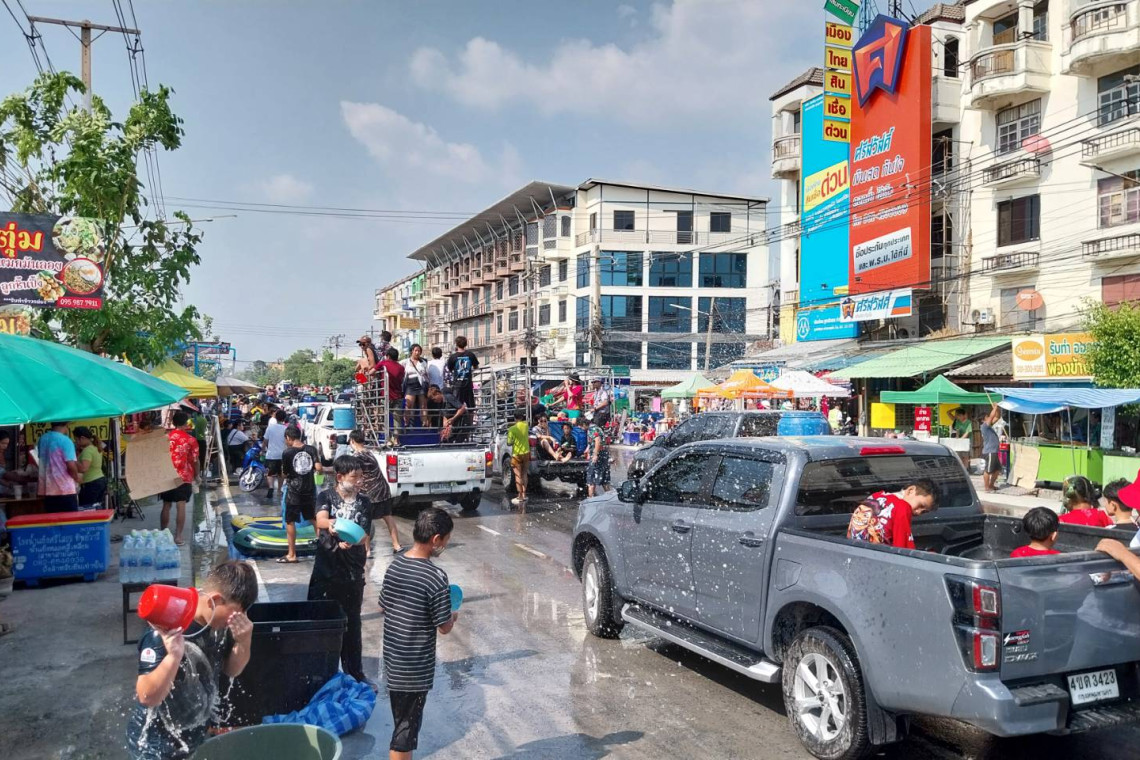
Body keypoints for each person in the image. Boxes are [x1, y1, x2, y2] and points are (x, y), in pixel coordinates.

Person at [127, 561, 257, 760]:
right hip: (156, 745)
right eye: (238, 612)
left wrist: (244, 641)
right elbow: (147, 696)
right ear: (215, 600)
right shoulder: (167, 629)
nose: (241, 618)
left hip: (193, 734)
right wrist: (173, 657)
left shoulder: (220, 623)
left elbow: (232, 670)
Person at [379, 507, 457, 760]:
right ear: (436, 539)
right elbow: (444, 626)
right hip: (415, 668)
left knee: (401, 721)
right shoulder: (435, 576)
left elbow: (383, 606)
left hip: (394, 660)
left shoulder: (396, 565)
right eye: (446, 540)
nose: (445, 544)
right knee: (405, 733)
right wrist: (453, 614)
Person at [308, 456, 375, 688]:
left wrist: (353, 539)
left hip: (353, 571)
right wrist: (333, 526)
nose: (359, 481)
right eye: (354, 477)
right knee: (321, 620)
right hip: (327, 568)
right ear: (339, 477)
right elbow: (320, 520)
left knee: (352, 623)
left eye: (361, 477)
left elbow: (364, 533)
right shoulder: (326, 496)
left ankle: (355, 672)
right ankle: (320, 674)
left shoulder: (364, 502)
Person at [345, 430, 402, 557]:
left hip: (368, 493)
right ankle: (397, 545)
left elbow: (354, 476)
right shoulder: (370, 453)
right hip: (382, 490)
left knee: (365, 521)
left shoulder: (356, 457)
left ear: (352, 441)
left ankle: (367, 550)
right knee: (388, 517)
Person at [846, 479, 939, 549]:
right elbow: (903, 551)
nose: (918, 512)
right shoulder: (903, 507)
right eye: (920, 505)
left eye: (924, 512)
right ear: (910, 490)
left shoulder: (874, 496)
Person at [279, 426, 322, 564]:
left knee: (290, 521)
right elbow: (319, 468)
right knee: (314, 519)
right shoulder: (311, 449)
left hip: (294, 492)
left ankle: (292, 554)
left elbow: (285, 473)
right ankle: (325, 550)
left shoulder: (287, 452)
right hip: (309, 490)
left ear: (288, 438)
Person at [161, 411, 199, 545]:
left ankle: (163, 534)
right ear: (186, 423)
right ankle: (178, 537)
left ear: (173, 422)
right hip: (184, 475)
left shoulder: (165, 438)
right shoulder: (190, 439)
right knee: (180, 505)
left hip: (167, 474)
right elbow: (195, 460)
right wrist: (197, 475)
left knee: (166, 504)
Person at [37, 421, 81, 512]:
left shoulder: (42, 439)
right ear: (66, 425)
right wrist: (77, 478)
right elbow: (71, 465)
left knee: (52, 519)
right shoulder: (66, 441)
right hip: (65, 490)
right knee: (70, 519)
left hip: (47, 490)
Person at [74, 426, 107, 510]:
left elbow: (84, 468)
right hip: (100, 480)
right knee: (96, 507)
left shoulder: (87, 450)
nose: (76, 442)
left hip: (91, 483)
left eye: (76, 439)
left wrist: (72, 461)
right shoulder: (95, 448)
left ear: (82, 438)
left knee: (87, 508)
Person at [445, 335, 479, 409]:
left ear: (456, 344)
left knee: (457, 407)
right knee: (471, 407)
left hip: (457, 385)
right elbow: (476, 366)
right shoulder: (470, 355)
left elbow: (449, 369)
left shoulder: (453, 357)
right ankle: (471, 417)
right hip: (468, 384)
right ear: (466, 344)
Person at [263, 410, 288, 502]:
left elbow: (265, 441)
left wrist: (263, 450)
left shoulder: (270, 428)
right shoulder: (286, 429)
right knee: (281, 473)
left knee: (270, 473)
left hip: (271, 454)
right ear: (284, 418)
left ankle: (271, 487)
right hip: (282, 455)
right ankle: (279, 490)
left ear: (275, 417)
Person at [402, 344, 429, 428]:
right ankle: (406, 423)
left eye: (419, 351)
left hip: (421, 385)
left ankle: (424, 423)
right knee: (408, 405)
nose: (417, 353)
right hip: (410, 384)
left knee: (423, 405)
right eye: (416, 351)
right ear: (412, 351)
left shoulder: (423, 362)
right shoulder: (405, 362)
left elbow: (426, 374)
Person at [507, 409, 530, 507]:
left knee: (518, 475)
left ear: (514, 418)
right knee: (524, 473)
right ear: (522, 417)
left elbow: (509, 443)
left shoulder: (512, 429)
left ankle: (519, 496)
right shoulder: (526, 425)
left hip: (516, 454)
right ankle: (524, 494)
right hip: (526, 453)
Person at [585, 415, 610, 497]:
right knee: (604, 479)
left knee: (591, 479)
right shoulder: (598, 428)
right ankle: (610, 498)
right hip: (603, 455)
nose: (581, 428)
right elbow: (596, 442)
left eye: (580, 426)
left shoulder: (592, 429)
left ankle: (590, 500)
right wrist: (588, 449)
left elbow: (597, 440)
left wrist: (595, 455)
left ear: (584, 424)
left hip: (598, 456)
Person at [980, 402, 1002, 493]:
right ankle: (987, 488)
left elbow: (997, 417)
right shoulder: (984, 426)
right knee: (988, 470)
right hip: (989, 451)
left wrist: (997, 409)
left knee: (997, 470)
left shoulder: (988, 426)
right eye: (987, 417)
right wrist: (995, 407)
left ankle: (991, 485)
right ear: (983, 420)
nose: (989, 417)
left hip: (994, 451)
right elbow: (992, 416)